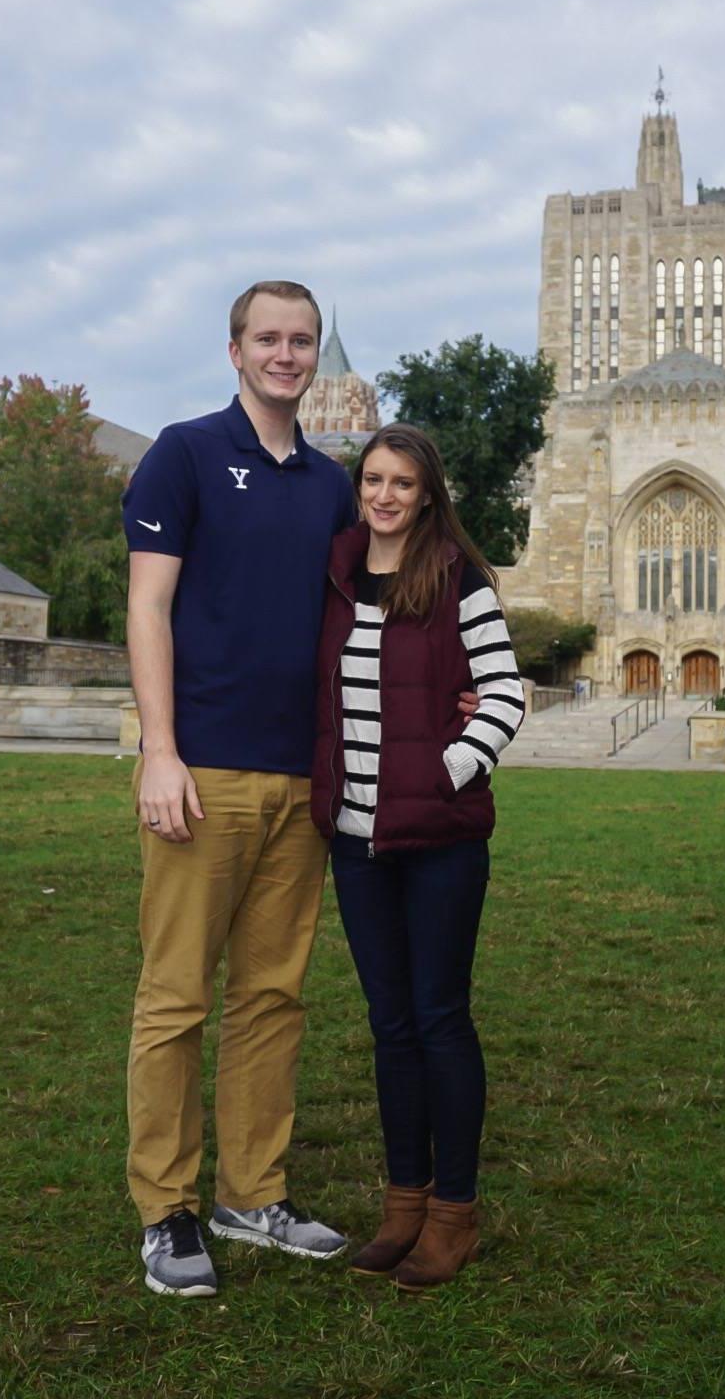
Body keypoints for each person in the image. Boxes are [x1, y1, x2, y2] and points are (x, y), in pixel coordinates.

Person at [121, 280, 357, 1297]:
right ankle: (166, 1208)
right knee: (176, 996)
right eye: (269, 336)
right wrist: (159, 748)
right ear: (234, 349)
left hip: (302, 776)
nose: (287, 353)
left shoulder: (333, 482)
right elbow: (148, 605)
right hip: (203, 769)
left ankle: (250, 1193)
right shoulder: (183, 453)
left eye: (301, 339)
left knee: (272, 995)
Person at [310, 424, 526, 1290]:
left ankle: (454, 1216)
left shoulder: (456, 578)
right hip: (358, 843)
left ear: (427, 493)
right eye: (373, 480)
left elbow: (505, 693)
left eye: (403, 482)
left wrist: (447, 770)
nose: (386, 495)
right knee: (388, 1026)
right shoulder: (334, 574)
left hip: (439, 841)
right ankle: (404, 1203)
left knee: (439, 1020)